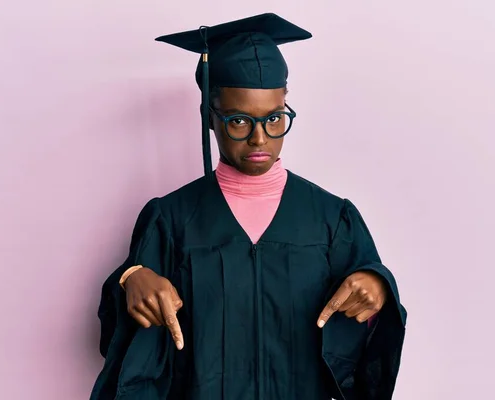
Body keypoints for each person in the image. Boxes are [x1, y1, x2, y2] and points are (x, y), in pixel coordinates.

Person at [90, 13, 407, 400]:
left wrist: (378, 287)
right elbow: (127, 347)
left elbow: (365, 355)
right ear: (211, 116)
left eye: (274, 118)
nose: (260, 138)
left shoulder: (332, 218)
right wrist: (130, 278)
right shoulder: (171, 218)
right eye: (239, 121)